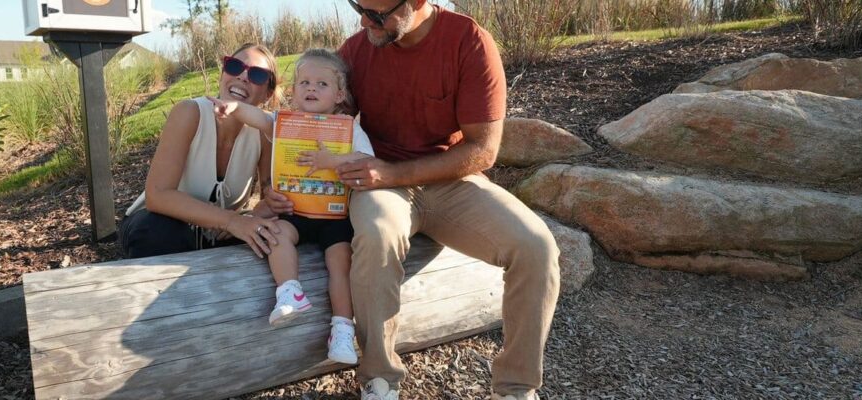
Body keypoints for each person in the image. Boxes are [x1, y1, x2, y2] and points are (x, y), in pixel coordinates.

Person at [335, 1, 562, 400]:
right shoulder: (355, 51)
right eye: (359, 7)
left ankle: (515, 388)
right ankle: (379, 381)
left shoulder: (468, 41)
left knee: (536, 246)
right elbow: (317, 113)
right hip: (382, 186)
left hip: (451, 180)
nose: (364, 21)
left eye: (376, 14)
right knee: (376, 235)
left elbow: (483, 151)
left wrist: (393, 172)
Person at [209, 49, 375, 365]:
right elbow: (259, 118)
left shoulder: (347, 127)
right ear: (295, 89)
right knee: (276, 235)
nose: (312, 89)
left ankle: (342, 329)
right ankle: (290, 292)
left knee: (340, 262)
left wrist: (333, 160)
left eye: (322, 84)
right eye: (305, 82)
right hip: (294, 212)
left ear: (339, 94)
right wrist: (235, 108)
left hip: (334, 216)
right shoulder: (287, 123)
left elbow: (367, 161)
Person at [117, 43, 293, 260]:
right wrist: (231, 221)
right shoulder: (189, 112)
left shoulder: (263, 131)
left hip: (217, 234)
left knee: (273, 233)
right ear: (222, 75)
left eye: (257, 75)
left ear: (267, 93)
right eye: (235, 66)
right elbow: (158, 196)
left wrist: (258, 213)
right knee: (160, 232)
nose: (243, 77)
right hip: (157, 224)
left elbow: (268, 199)